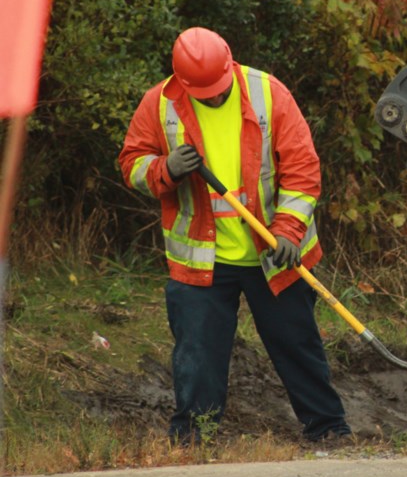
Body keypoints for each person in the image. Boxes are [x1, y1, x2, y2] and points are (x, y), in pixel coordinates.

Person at [119, 26, 351, 444]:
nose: (214, 96)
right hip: (202, 261)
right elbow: (133, 163)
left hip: (274, 255)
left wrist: (288, 231)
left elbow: (302, 171)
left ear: (230, 63)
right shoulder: (159, 104)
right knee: (198, 358)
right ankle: (194, 441)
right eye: (203, 91)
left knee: (297, 346)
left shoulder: (268, 93)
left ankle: (329, 430)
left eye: (219, 88)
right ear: (182, 81)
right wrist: (166, 169)